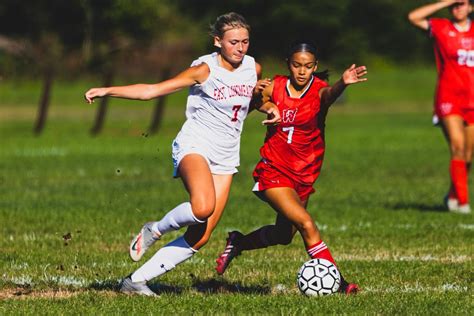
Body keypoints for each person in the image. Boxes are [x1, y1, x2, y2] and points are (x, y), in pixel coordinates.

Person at [84, 12, 280, 296]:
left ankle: (135, 281)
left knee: (200, 236)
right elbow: (152, 91)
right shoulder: (203, 70)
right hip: (195, 145)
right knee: (202, 208)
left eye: (245, 41)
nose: (240, 48)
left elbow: (248, 103)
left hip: (226, 155)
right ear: (217, 42)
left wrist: (269, 106)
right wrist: (107, 90)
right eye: (233, 42)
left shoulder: (253, 68)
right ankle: (155, 229)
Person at [214, 42, 367, 294]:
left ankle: (239, 242)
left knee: (284, 235)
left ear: (315, 67)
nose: (302, 71)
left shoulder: (319, 91)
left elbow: (329, 96)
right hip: (273, 170)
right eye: (297, 65)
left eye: (308, 66)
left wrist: (342, 83)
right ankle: (339, 283)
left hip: (304, 174)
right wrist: (256, 95)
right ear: (288, 64)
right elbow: (250, 105)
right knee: (307, 223)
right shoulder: (274, 85)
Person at [408, 0, 474, 214]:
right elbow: (413, 17)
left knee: (468, 155)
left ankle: (453, 195)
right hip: (449, 98)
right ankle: (462, 204)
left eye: (462, 3)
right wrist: (445, 1)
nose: (458, 7)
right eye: (454, 4)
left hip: (472, 99)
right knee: (457, 146)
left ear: (471, 7)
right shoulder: (442, 27)